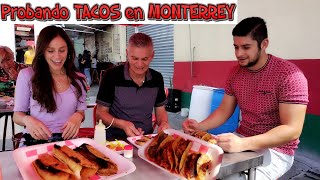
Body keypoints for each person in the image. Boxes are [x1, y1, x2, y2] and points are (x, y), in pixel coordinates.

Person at [183, 17, 308, 179]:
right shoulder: (235, 73)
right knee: (193, 166)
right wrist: (200, 125)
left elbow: (292, 130)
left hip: (277, 151)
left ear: (264, 44)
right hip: (241, 139)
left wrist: (243, 144)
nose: (238, 54)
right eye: (236, 47)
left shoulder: (288, 76)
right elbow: (223, 110)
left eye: (246, 47)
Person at [13, 25, 87, 145]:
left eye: (62, 50)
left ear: (68, 50)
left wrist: (78, 116)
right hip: (34, 141)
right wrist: (27, 120)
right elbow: (17, 116)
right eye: (50, 51)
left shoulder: (79, 79)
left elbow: (81, 111)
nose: (57, 56)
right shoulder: (27, 75)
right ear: (42, 52)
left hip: (68, 142)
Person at [96, 32, 170, 138]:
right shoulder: (111, 76)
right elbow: (100, 114)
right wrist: (123, 124)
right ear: (127, 53)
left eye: (145, 59)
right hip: (115, 139)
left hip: (145, 137)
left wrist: (164, 123)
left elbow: (161, 111)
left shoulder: (157, 78)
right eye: (135, 58)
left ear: (152, 56)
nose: (139, 65)